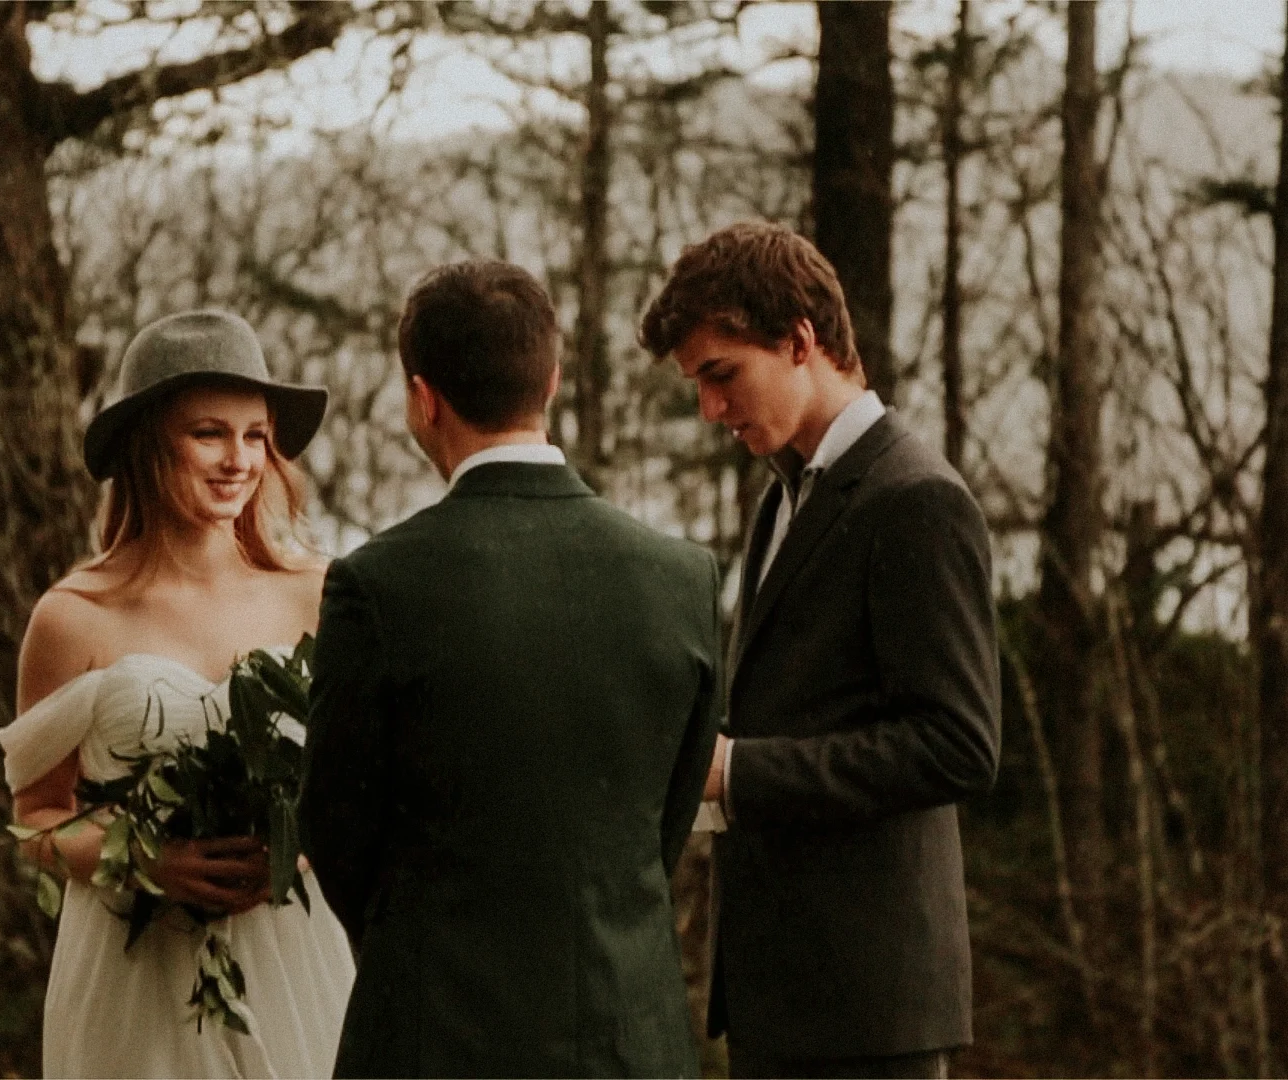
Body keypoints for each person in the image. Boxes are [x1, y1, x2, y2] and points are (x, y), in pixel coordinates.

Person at [299, 260, 722, 1078]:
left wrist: (419, 942)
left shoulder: (376, 586)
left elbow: (335, 826)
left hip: (437, 1034)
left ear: (424, 398)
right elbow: (664, 818)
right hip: (628, 1038)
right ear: (553, 381)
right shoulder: (683, 578)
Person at [639, 220, 1002, 1080]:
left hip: (870, 1011)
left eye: (722, 376)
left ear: (801, 340)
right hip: (784, 997)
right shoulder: (782, 497)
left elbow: (959, 745)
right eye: (698, 384)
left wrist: (741, 773)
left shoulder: (916, 501)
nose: (710, 410)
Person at [0, 310, 355, 1079]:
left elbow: (358, 778)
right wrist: (147, 862)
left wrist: (297, 856)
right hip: (134, 980)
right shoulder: (71, 616)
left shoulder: (318, 594)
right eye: (209, 433)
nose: (239, 460)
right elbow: (34, 822)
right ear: (148, 442)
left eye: (256, 435)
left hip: (294, 959)